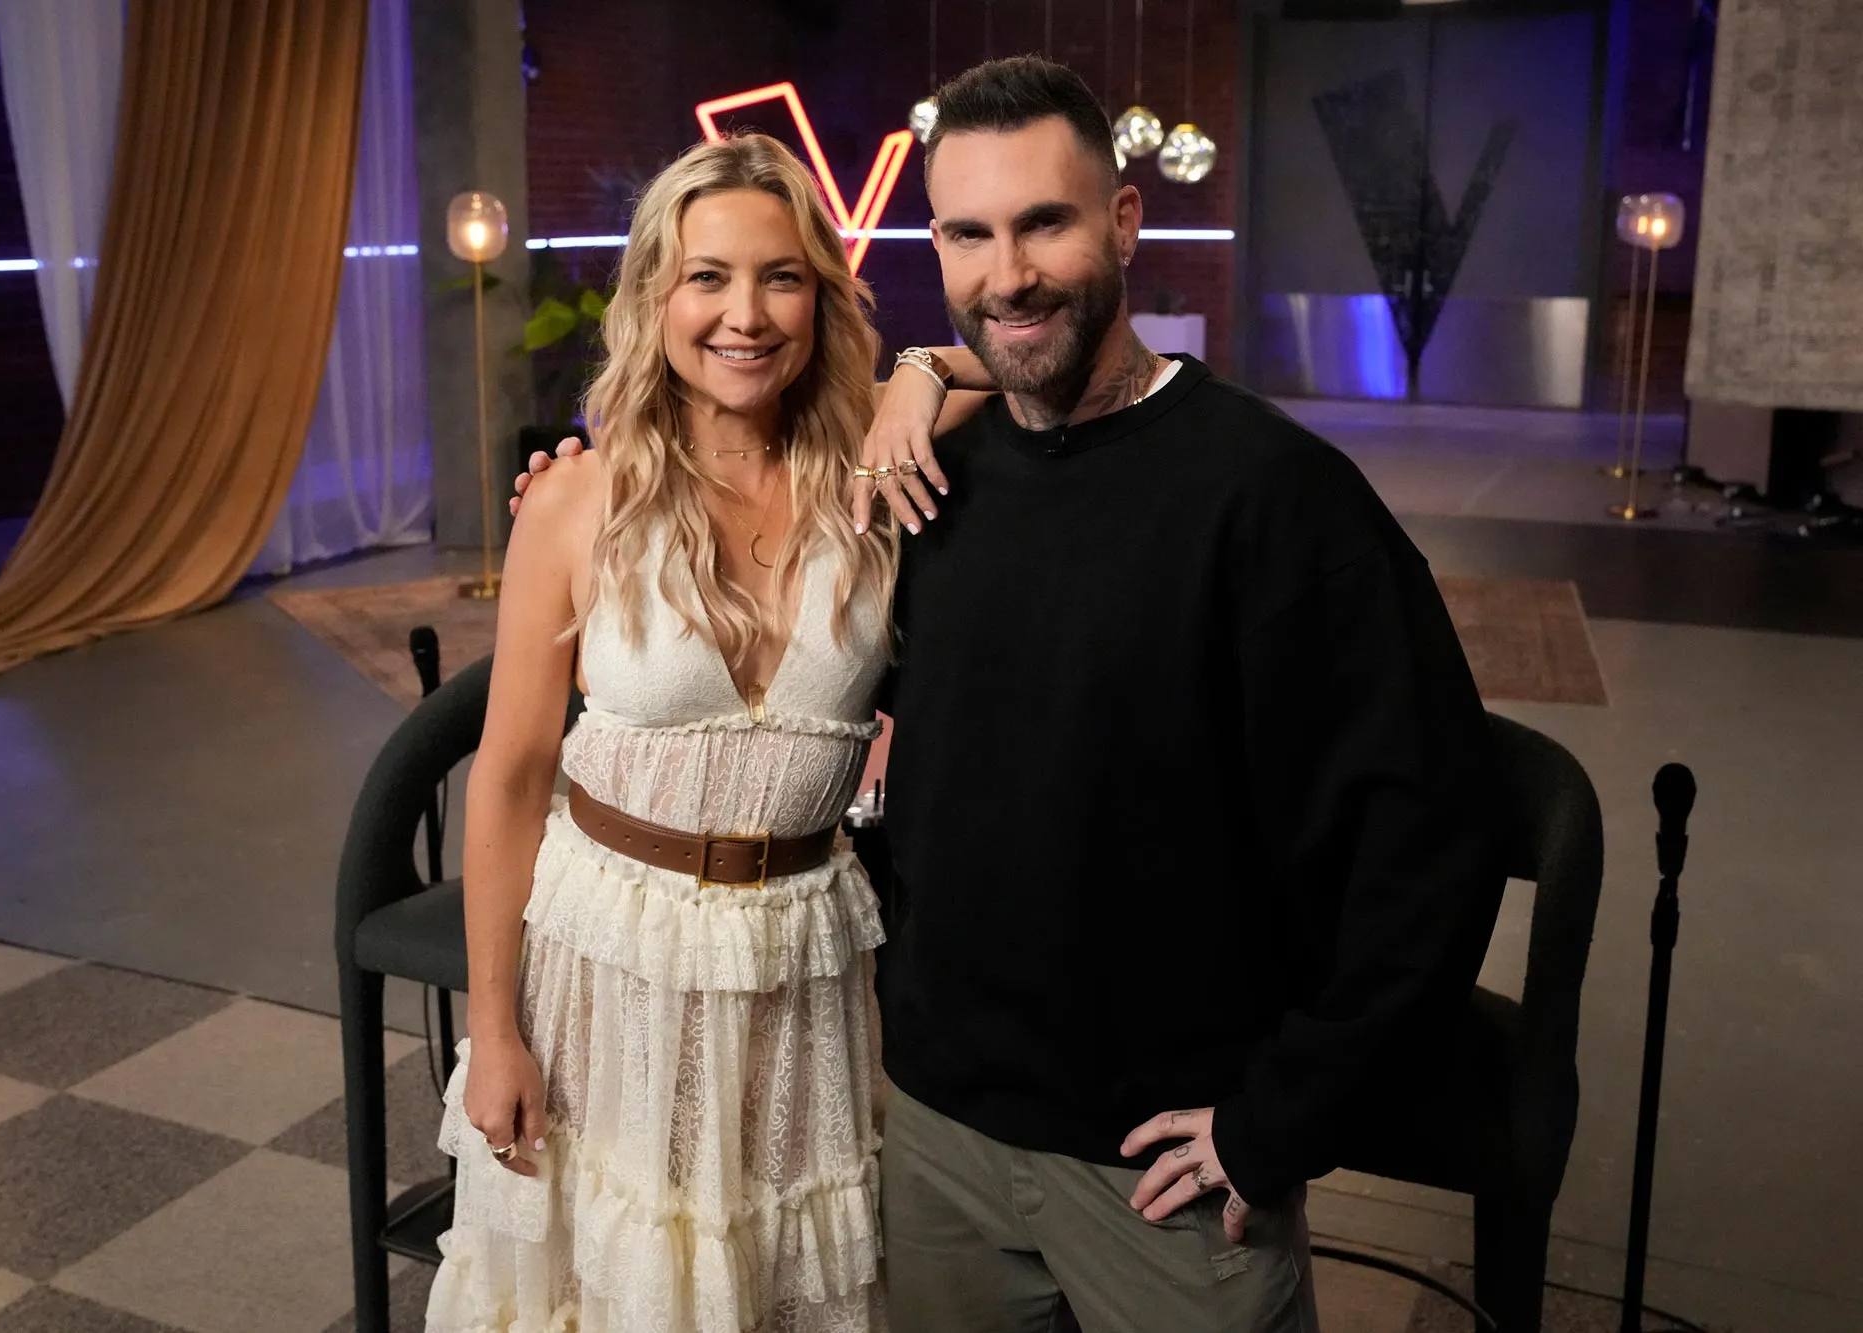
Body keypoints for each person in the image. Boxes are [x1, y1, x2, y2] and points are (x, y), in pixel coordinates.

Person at [517, 56, 1503, 1333]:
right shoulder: (928, 486)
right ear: (935, 248)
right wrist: (578, 494)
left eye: (1045, 223)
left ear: (1124, 223)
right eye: (970, 235)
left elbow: (1432, 829)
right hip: (930, 1133)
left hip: (1158, 1167)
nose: (1010, 273)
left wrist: (1282, 1114)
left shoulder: (1273, 496)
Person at [428, 132, 986, 1333]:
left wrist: (918, 374)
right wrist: (493, 1029)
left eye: (781, 277)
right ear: (653, 298)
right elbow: (511, 777)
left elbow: (1052, 363)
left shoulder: (875, 478)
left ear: (820, 300)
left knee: (779, 1285)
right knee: (607, 1284)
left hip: (799, 964)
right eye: (706, 278)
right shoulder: (576, 499)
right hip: (607, 965)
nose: (745, 314)